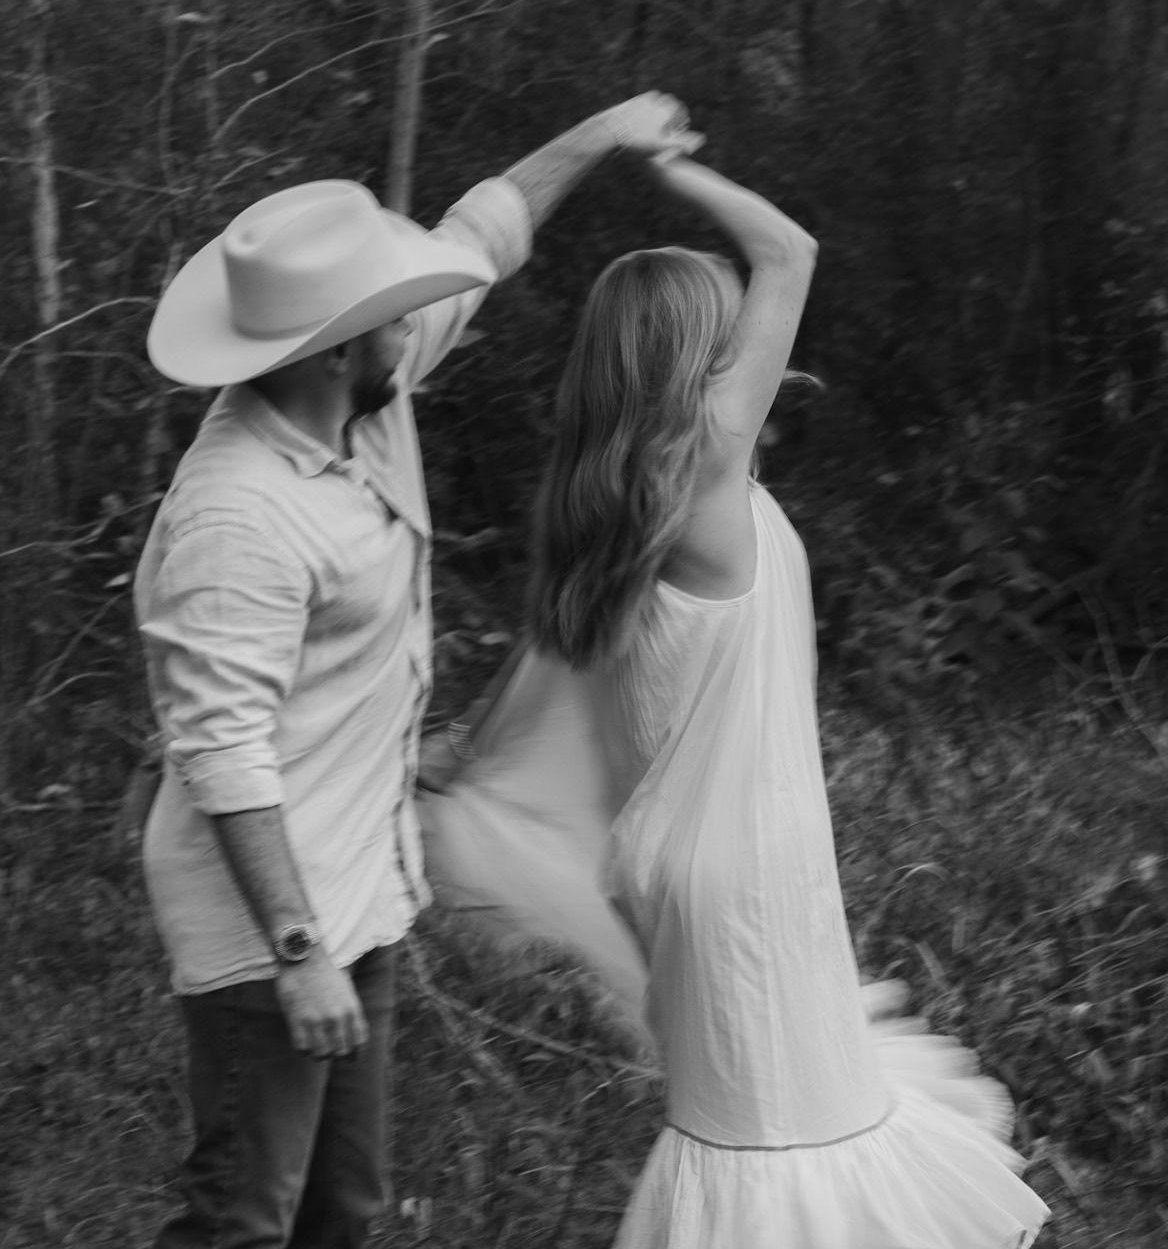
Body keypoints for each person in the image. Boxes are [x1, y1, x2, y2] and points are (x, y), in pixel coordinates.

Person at [421, 154, 1051, 1247]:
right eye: (723, 326)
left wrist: (462, 755)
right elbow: (788, 251)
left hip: (705, 869)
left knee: (779, 1140)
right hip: (746, 876)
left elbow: (544, 682)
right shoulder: (703, 473)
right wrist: (670, 165)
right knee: (784, 1152)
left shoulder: (610, 509)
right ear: (696, 356)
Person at [132, 92, 702, 1249]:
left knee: (341, 1213)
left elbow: (482, 231)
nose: (417, 330)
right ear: (341, 344)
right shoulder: (236, 515)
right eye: (394, 320)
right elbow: (221, 752)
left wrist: (601, 133)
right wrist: (298, 958)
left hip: (360, 888)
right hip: (269, 931)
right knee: (241, 1217)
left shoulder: (356, 398)